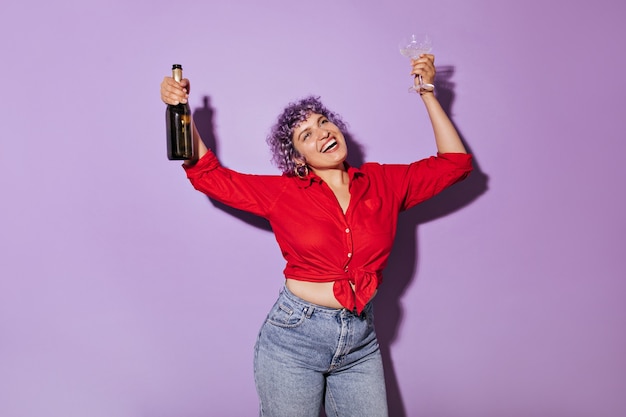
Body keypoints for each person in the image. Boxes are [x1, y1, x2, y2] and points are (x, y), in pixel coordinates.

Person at [160, 54, 472, 417]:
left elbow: (455, 164)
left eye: (324, 122)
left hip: (360, 341)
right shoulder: (283, 193)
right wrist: (182, 108)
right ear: (298, 158)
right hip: (294, 340)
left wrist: (428, 93)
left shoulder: (384, 182)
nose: (323, 132)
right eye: (307, 134)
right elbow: (208, 175)